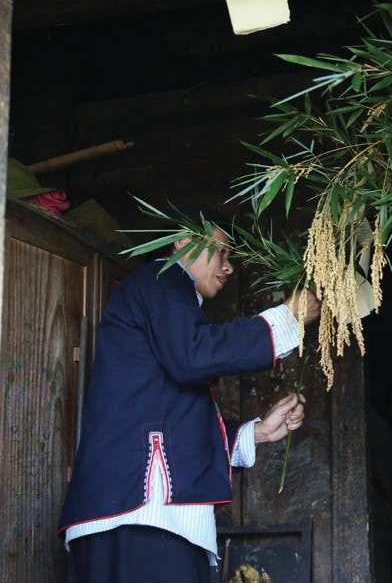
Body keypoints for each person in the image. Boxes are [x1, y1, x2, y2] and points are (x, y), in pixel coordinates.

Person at [57, 203, 321, 583]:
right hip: (140, 517)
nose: (228, 266)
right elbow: (193, 357)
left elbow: (172, 419)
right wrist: (285, 318)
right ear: (183, 242)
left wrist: (257, 431)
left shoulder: (165, 303)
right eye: (223, 251)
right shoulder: (160, 280)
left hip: (141, 520)